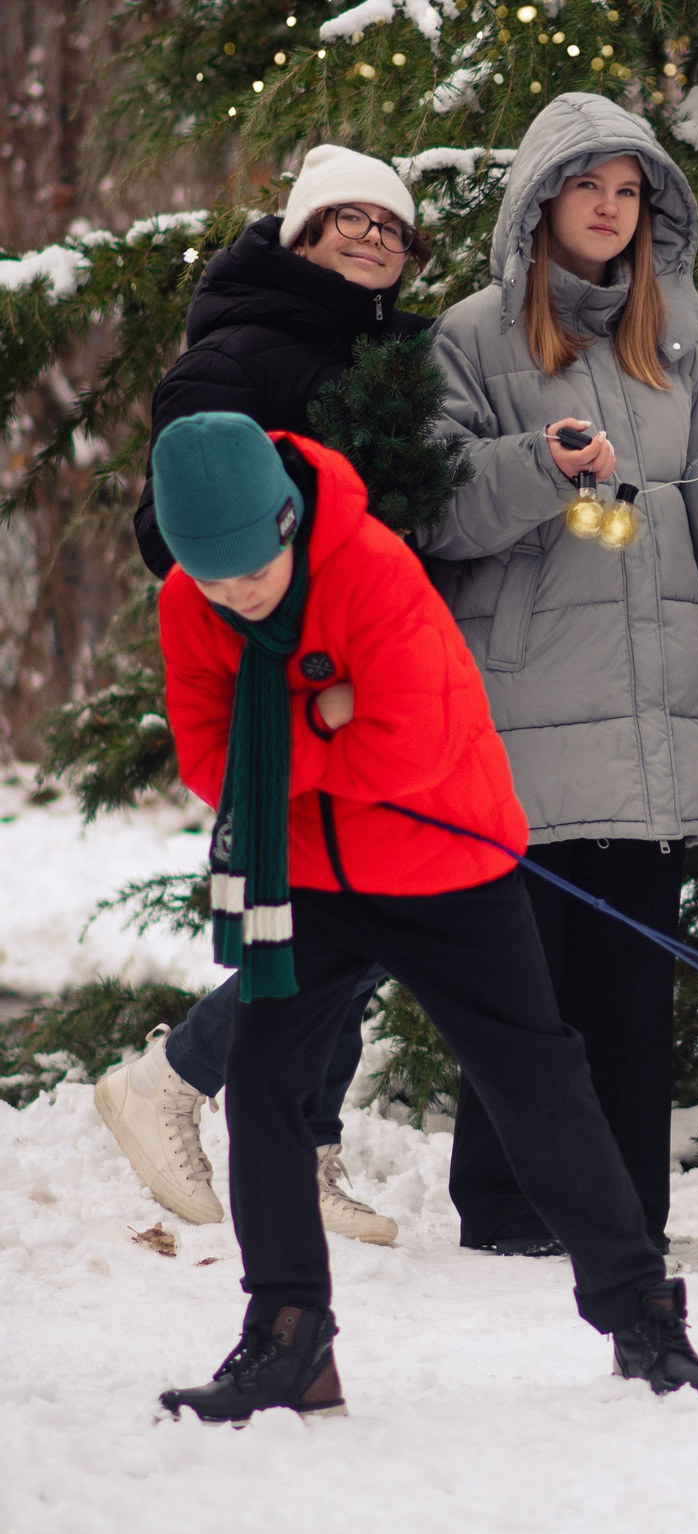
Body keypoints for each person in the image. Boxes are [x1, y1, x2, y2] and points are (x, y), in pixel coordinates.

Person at [150, 413, 698, 1422]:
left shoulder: (371, 569)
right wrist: (322, 712)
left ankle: (641, 1313)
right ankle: (288, 1335)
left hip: (444, 865)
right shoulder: (190, 603)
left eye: (253, 574)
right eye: (214, 583)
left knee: (535, 1083)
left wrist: (274, 736)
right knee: (264, 1084)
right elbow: (209, 760)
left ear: (286, 523)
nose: (237, 598)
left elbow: (407, 746)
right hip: (307, 878)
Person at [419, 94, 698, 1257]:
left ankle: (626, 1213)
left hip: (653, 707)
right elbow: (438, 506)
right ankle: (510, 1208)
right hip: (528, 704)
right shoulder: (472, 336)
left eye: (629, 192)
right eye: (589, 187)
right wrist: (539, 465)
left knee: (633, 987)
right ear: (542, 199)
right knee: (529, 986)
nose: (609, 209)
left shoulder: (677, 341)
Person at [101, 143, 432, 1247]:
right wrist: (272, 612)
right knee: (325, 909)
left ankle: (295, 1138)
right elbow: (170, 525)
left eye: (393, 227)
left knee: (354, 904)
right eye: (352, 220)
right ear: (302, 233)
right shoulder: (235, 350)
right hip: (288, 677)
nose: (375, 240)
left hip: (372, 670)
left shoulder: (389, 353)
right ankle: (178, 1081)